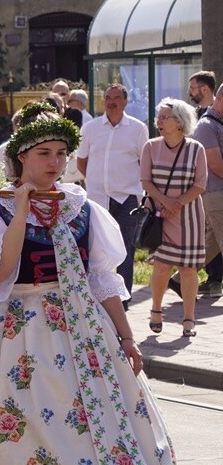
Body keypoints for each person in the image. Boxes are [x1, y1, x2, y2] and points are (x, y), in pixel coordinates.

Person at [0, 102, 190, 465]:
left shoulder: (83, 208)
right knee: (33, 443)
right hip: (21, 338)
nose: (55, 162)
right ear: (20, 158)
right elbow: (2, 274)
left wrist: (126, 338)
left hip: (83, 331)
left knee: (93, 437)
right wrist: (22, 211)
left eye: (61, 153)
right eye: (44, 153)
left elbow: (102, 280)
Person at [77, 84, 149, 308]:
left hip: (127, 197)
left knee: (125, 248)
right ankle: (96, 296)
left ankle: (123, 299)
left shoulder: (137, 128)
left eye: (117, 97)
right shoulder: (90, 128)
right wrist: (97, 180)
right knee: (96, 247)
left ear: (125, 101)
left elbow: (144, 162)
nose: (112, 101)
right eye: (108, 97)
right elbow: (82, 161)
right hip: (97, 198)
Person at [143, 99, 207, 339]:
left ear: (179, 122)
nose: (158, 122)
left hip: (189, 217)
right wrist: (165, 203)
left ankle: (189, 318)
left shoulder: (196, 149)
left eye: (164, 117)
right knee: (161, 266)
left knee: (188, 269)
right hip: (159, 216)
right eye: (158, 117)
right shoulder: (150, 146)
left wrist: (177, 203)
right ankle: (155, 310)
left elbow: (200, 185)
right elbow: (146, 181)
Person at [170, 82, 223, 299]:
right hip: (215, 194)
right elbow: (215, 164)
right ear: (221, 98)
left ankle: (177, 280)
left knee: (210, 244)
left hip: (218, 194)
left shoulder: (218, 124)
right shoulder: (207, 126)